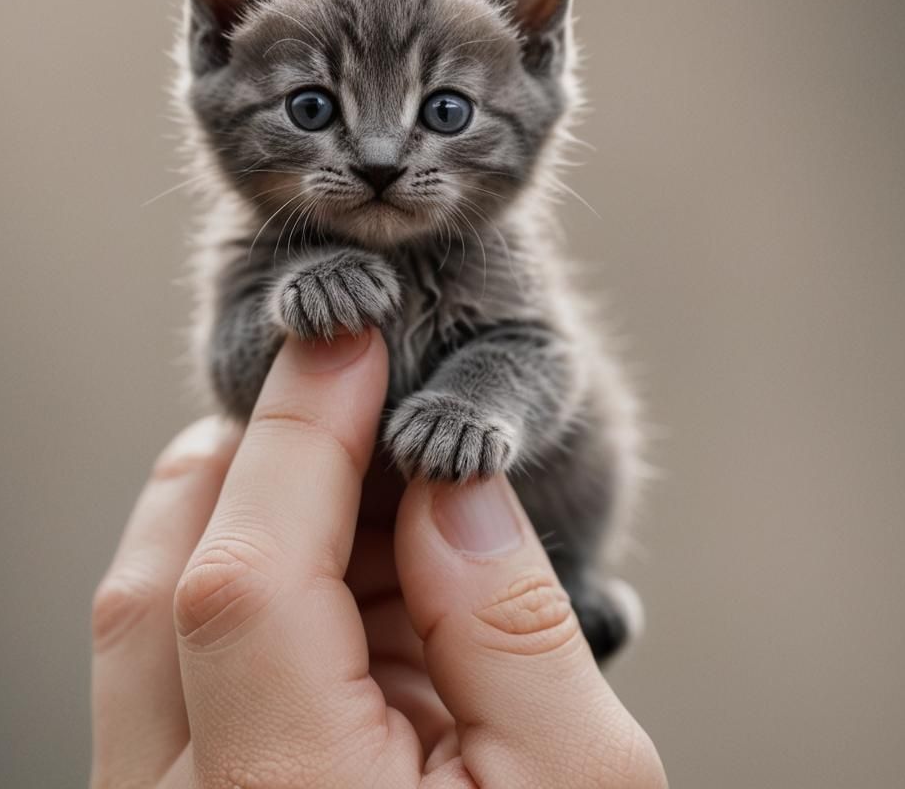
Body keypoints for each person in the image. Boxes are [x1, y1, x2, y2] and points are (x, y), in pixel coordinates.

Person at [90, 329, 668, 788]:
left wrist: (479, 402)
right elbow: (232, 367)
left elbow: (543, 356)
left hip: (507, 544)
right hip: (357, 587)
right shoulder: (261, 245)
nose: (383, 171)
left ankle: (575, 585)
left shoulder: (495, 254)